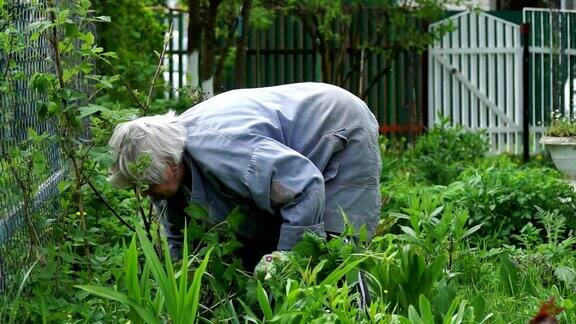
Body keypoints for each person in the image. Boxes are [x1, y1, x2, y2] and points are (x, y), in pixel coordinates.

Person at [108, 82, 382, 269]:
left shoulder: (221, 147)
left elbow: (303, 186)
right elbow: (179, 235)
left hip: (338, 127)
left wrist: (285, 260)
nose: (144, 192)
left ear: (171, 162)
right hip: (296, 144)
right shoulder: (169, 172)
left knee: (339, 249)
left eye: (148, 183)